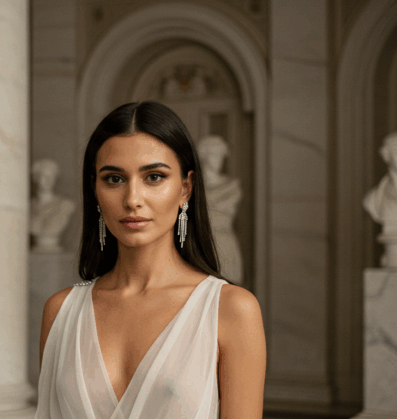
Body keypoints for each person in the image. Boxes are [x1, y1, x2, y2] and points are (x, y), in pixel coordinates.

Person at [35, 102, 266, 418]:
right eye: (114, 179)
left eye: (154, 177)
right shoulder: (61, 311)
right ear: (95, 190)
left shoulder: (231, 309)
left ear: (186, 188)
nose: (132, 199)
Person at [198, 134, 243, 285]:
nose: (219, 160)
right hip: (199, 242)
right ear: (204, 156)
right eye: (214, 155)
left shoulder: (231, 186)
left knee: (226, 291)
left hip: (223, 242)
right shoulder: (193, 186)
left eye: (221, 156)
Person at [30, 159, 75, 253]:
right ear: (36, 178)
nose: (48, 181)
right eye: (44, 176)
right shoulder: (28, 207)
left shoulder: (65, 205)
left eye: (51, 177)